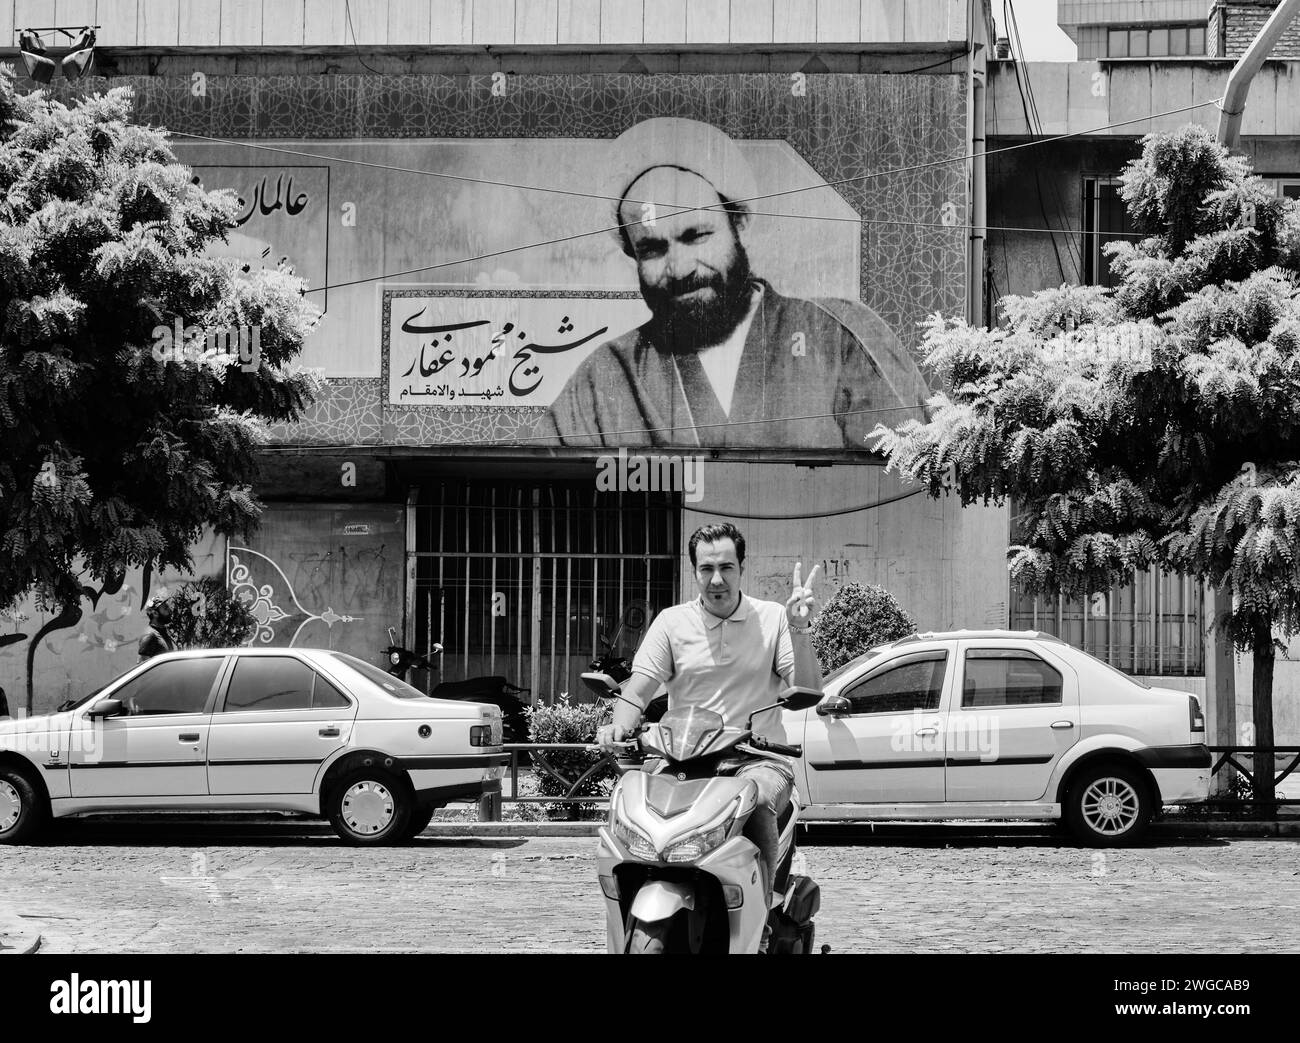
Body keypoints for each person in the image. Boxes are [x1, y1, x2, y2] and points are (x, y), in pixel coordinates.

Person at [539, 116, 931, 449]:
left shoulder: (841, 335)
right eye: (653, 249)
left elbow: (912, 476)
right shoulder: (603, 376)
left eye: (696, 235)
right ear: (634, 256)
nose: (679, 268)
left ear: (738, 223)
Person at [596, 522, 823, 947]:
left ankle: (763, 916)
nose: (716, 579)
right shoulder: (671, 623)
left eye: (725, 567)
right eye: (706, 569)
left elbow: (806, 687)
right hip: (681, 756)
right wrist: (618, 725)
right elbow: (638, 690)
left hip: (756, 757)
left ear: (741, 568)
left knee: (755, 800)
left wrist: (801, 628)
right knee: (628, 797)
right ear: (694, 572)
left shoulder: (773, 618)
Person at [137, 594, 175, 662]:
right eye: (165, 608)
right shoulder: (150, 636)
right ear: (155, 613)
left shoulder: (163, 632)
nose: (170, 611)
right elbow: (141, 665)